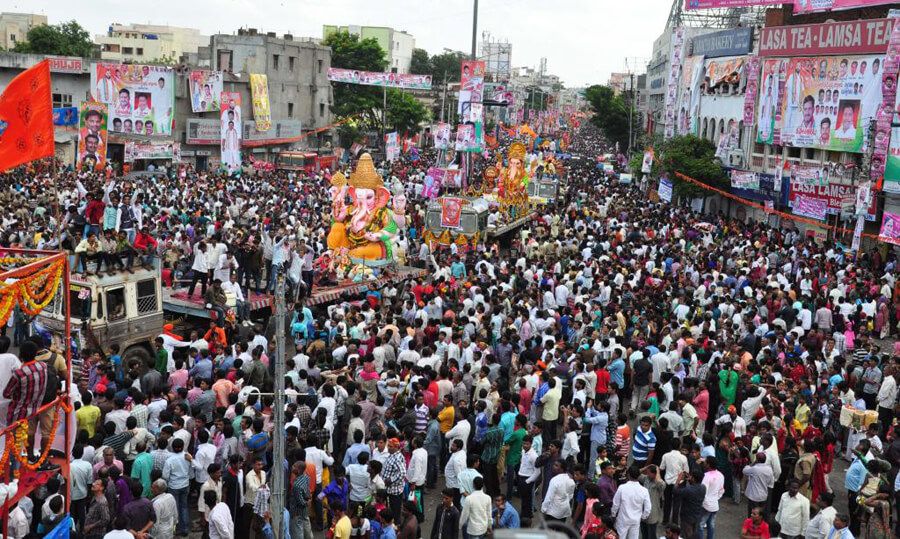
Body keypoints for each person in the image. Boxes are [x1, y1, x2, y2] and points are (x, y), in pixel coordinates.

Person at [611, 465, 652, 539]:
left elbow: (615, 504)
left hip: (623, 520)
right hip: (635, 520)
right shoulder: (644, 491)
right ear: (639, 476)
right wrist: (643, 517)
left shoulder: (622, 488)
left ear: (628, 475)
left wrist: (613, 515)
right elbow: (648, 508)